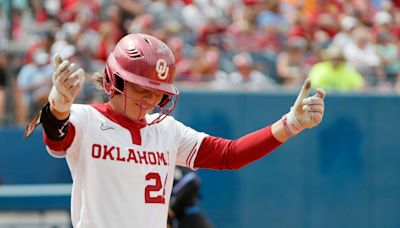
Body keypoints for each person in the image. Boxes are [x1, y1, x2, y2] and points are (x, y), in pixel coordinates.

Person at [25, 33, 325, 228]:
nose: (151, 100)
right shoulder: (86, 119)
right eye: (141, 89)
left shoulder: (167, 130)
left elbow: (230, 155)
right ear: (113, 81)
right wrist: (59, 101)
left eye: (157, 93)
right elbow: (57, 136)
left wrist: (291, 124)